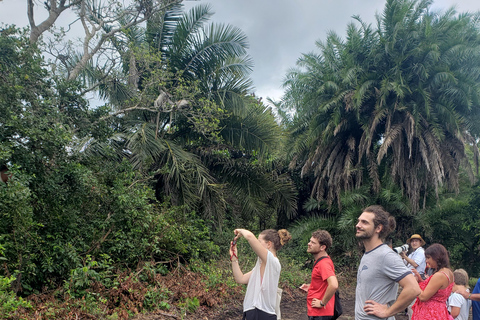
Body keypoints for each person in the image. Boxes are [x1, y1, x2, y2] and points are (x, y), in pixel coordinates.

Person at [355, 205, 420, 320]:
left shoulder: (386, 255)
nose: (358, 225)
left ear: (378, 228)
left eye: (364, 222)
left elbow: (413, 288)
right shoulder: (368, 253)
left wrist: (388, 312)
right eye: (359, 221)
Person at [230, 228, 292, 320]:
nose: (257, 244)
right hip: (252, 312)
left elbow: (250, 237)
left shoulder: (272, 262)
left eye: (259, 242)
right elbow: (240, 279)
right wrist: (234, 257)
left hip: (262, 313)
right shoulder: (260, 265)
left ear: (269, 244)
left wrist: (240, 231)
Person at [300, 230, 339, 320]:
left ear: (322, 247)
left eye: (313, 242)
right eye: (310, 241)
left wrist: (322, 303)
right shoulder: (321, 261)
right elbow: (324, 283)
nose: (309, 244)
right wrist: (311, 286)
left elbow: (333, 285)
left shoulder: (323, 264)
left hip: (320, 313)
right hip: (318, 313)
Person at [410, 243, 454, 320]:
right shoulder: (449, 272)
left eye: (428, 258)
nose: (426, 261)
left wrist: (414, 282)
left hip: (430, 313)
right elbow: (436, 291)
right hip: (440, 311)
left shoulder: (439, 275)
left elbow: (423, 297)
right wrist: (421, 280)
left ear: (436, 257)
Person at [400, 234, 427, 319]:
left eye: (416, 241)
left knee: (413, 303)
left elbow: (415, 264)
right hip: (411, 278)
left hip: (417, 278)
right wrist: (401, 256)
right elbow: (403, 264)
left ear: (420, 242)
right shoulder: (412, 253)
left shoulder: (421, 252)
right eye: (412, 241)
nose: (414, 243)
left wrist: (404, 256)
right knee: (410, 304)